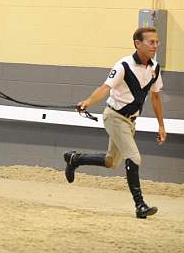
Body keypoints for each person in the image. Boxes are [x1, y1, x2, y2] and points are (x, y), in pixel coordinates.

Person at [64, 27, 167, 219]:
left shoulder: (155, 68)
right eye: (151, 42)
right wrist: (88, 101)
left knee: (111, 162)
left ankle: (74, 159)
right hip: (114, 117)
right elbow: (105, 88)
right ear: (138, 43)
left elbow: (156, 98)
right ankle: (140, 205)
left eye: (157, 42)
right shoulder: (123, 65)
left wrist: (161, 125)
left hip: (129, 122)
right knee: (134, 157)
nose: (156, 45)